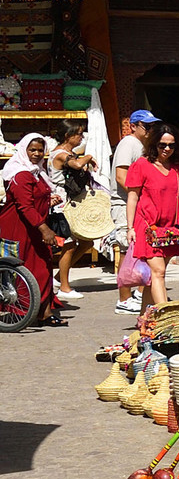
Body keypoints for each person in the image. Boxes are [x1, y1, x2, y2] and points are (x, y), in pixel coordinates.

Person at [0, 136, 66, 325]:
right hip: (20, 229)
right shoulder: (21, 174)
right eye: (32, 150)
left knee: (44, 266)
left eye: (40, 150)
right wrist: (45, 229)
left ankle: (43, 311)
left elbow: (34, 199)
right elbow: (25, 206)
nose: (37, 154)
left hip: (34, 227)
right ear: (24, 150)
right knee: (26, 269)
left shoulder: (36, 172)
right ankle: (28, 311)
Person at [124, 122, 179, 316]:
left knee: (155, 276)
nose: (167, 149)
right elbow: (132, 197)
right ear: (154, 145)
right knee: (158, 272)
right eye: (162, 145)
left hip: (169, 229)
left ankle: (144, 319)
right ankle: (166, 317)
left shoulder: (176, 166)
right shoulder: (141, 165)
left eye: (171, 145)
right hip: (147, 227)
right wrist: (130, 227)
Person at [111, 110, 157, 314]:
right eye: (146, 126)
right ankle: (124, 298)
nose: (150, 130)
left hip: (136, 203)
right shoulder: (128, 143)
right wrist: (137, 194)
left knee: (139, 249)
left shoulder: (141, 146)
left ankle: (138, 292)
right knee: (125, 249)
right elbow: (121, 176)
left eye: (152, 126)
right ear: (133, 126)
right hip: (124, 203)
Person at [48, 119, 97, 305]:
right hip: (61, 203)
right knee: (68, 244)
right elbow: (76, 165)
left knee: (86, 241)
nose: (81, 137)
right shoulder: (60, 154)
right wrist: (89, 156)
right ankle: (65, 287)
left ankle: (60, 277)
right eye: (79, 134)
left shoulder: (70, 153)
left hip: (73, 203)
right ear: (69, 136)